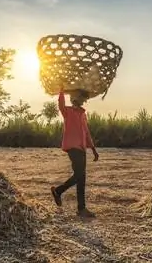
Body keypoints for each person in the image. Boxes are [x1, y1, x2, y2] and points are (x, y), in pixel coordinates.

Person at [51, 89, 99, 218]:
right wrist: (61, 91)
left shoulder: (83, 114)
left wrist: (93, 148)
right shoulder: (68, 111)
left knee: (81, 178)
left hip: (82, 148)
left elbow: (86, 132)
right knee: (79, 175)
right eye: (82, 98)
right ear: (76, 98)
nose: (84, 101)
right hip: (72, 148)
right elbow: (60, 105)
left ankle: (81, 209)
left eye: (85, 99)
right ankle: (58, 191)